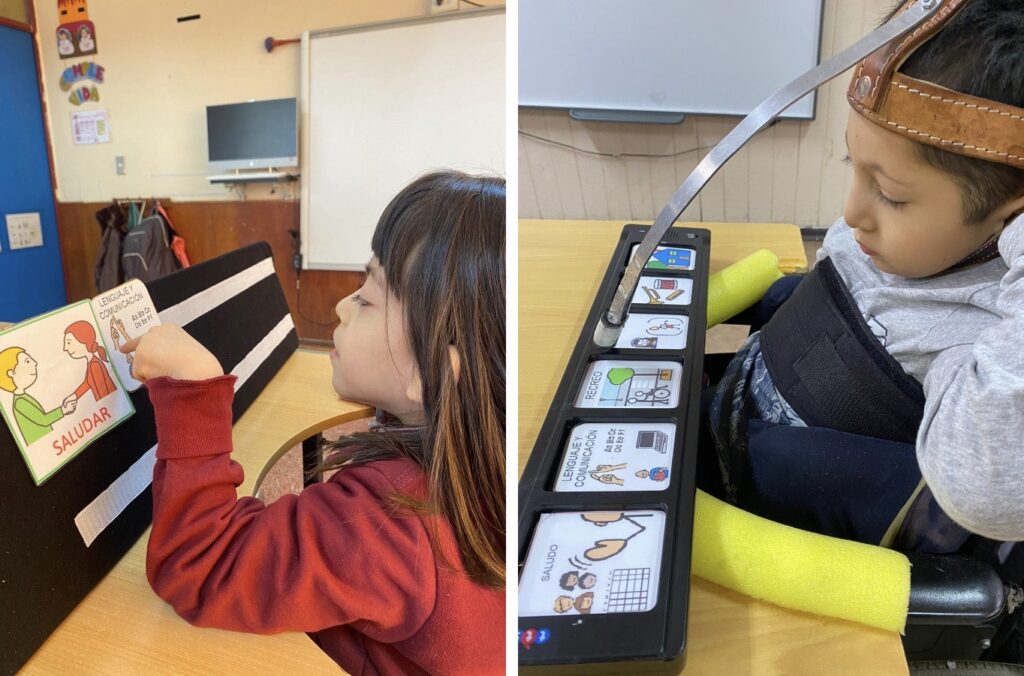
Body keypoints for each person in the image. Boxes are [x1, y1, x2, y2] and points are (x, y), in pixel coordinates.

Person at [122, 171, 505, 675]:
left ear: (433, 374)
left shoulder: (387, 519)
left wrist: (193, 389)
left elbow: (197, 565)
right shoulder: (484, 451)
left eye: (367, 299)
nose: (342, 307)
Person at [704, 0, 1024, 547]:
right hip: (732, 405)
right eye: (855, 167)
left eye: (892, 196)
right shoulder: (890, 243)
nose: (850, 213)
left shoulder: (974, 344)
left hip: (753, 513)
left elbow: (988, 496)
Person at [0, 347, 77, 445]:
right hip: (43, 446)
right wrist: (64, 410)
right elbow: (43, 420)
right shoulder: (20, 402)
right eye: (27, 361)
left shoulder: (23, 397)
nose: (34, 363)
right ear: (11, 373)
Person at [64, 321, 116, 402]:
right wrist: (74, 396)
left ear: (83, 339)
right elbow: (87, 383)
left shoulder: (94, 365)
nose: (65, 348)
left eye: (68, 342)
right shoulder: (91, 363)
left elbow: (104, 394)